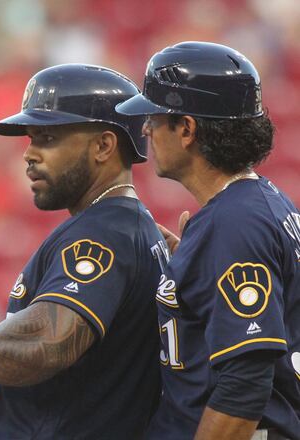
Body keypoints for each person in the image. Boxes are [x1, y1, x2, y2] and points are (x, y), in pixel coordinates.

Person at [0, 64, 167, 439]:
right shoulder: (123, 225)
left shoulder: (104, 233)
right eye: (31, 139)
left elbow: (51, 341)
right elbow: (86, 390)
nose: (29, 154)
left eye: (47, 138)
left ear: (103, 146)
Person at [116, 41, 300, 440]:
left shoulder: (236, 225)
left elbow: (244, 387)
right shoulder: (254, 207)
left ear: (186, 129)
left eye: (154, 117)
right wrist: (197, 268)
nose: (145, 128)